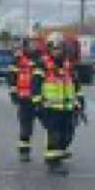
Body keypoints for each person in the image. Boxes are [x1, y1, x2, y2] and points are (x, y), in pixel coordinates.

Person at [37, 34, 82, 175]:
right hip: (51, 108)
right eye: (55, 48)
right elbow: (35, 85)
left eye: (60, 48)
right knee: (54, 135)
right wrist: (38, 104)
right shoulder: (43, 64)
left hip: (67, 108)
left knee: (68, 134)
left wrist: (79, 102)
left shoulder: (68, 65)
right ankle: (53, 163)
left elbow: (75, 85)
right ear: (49, 48)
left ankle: (58, 154)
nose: (58, 51)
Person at [7, 39, 41, 162]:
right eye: (30, 45)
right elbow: (11, 78)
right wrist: (13, 94)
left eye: (35, 44)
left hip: (42, 99)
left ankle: (55, 153)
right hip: (25, 98)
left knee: (52, 126)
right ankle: (24, 152)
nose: (33, 47)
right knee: (26, 127)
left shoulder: (42, 59)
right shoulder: (17, 59)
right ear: (24, 47)